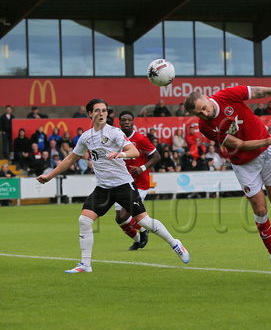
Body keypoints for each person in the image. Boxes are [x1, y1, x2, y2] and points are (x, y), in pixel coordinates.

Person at [36, 98, 190, 273]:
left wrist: (121, 154)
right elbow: (70, 159)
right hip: (103, 188)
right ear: (89, 114)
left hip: (123, 185)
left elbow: (134, 151)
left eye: (104, 110)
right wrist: (49, 176)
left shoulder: (115, 132)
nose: (101, 113)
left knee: (144, 221)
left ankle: (175, 244)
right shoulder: (85, 137)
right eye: (97, 110)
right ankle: (85, 264)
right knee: (84, 220)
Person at [184, 85, 271, 283]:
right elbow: (239, 145)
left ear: (207, 98)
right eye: (199, 113)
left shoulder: (227, 95)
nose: (204, 113)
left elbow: (259, 91)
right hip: (245, 163)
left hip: (267, 154)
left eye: (204, 108)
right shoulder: (205, 127)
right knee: (260, 210)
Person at [116, 110, 161, 250]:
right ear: (120, 122)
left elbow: (157, 156)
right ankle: (137, 239)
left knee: (124, 214)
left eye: (129, 120)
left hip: (139, 183)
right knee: (119, 218)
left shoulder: (140, 139)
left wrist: (142, 167)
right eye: (124, 120)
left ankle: (143, 230)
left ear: (133, 122)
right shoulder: (116, 138)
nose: (127, 122)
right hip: (122, 181)